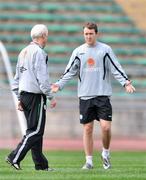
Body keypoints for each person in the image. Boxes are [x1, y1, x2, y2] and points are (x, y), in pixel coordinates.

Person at [51, 22, 135, 170]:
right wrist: (59, 84)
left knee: (106, 128)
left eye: (91, 34)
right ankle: (89, 161)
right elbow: (69, 71)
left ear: (96, 34)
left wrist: (126, 83)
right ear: (83, 34)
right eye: (86, 34)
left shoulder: (105, 49)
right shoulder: (78, 51)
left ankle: (105, 153)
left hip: (102, 95)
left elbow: (116, 68)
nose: (88, 36)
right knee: (88, 128)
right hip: (85, 96)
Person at [6, 24, 56, 171]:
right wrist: (51, 97)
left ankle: (41, 165)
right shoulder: (39, 53)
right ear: (43, 36)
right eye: (46, 36)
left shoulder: (23, 52)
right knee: (36, 131)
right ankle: (14, 157)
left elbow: (17, 78)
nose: (46, 39)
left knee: (34, 131)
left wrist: (19, 97)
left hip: (24, 95)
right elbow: (43, 78)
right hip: (35, 96)